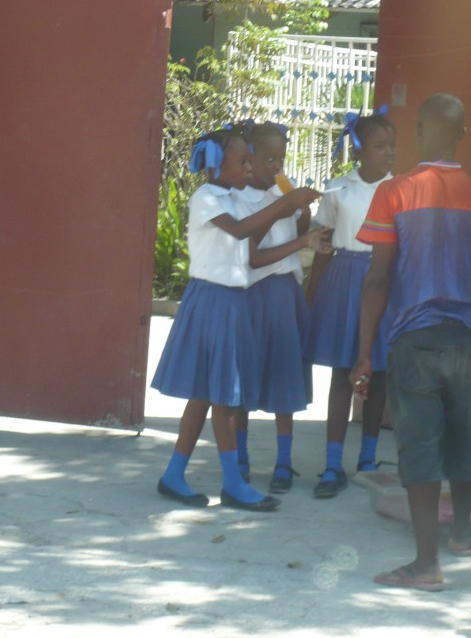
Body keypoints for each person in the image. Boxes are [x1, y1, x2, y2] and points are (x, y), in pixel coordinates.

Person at [349, 93, 471, 591]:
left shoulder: (395, 193)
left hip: (414, 337)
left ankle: (426, 564)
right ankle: (463, 532)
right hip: (468, 336)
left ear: (416, 133)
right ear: (462, 134)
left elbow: (378, 279)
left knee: (419, 446)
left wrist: (365, 352)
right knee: (463, 432)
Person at [151, 126, 320, 512]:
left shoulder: (233, 197)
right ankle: (232, 484)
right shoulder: (207, 197)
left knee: (205, 396)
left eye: (249, 160)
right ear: (214, 165)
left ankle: (174, 474)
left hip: (232, 300)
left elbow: (255, 249)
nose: (249, 169)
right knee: (222, 399)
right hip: (212, 299)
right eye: (242, 161)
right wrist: (285, 201)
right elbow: (242, 231)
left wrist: (295, 216)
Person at [234, 121, 332, 495]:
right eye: (268, 158)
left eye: (281, 157)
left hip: (285, 295)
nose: (276, 166)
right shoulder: (241, 198)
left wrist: (301, 212)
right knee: (244, 378)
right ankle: (240, 458)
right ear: (249, 160)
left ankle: (283, 463)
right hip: (253, 294)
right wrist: (284, 206)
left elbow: (297, 228)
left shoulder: (283, 189)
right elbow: (253, 255)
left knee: (284, 378)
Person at [305, 109, 397, 499]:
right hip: (345, 282)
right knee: (344, 370)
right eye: (380, 147)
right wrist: (310, 292)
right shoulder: (338, 189)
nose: (389, 153)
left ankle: (369, 458)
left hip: (386, 281)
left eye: (393, 146)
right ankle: (331, 463)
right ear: (359, 152)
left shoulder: (402, 189)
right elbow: (324, 243)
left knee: (380, 374)